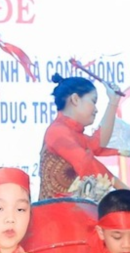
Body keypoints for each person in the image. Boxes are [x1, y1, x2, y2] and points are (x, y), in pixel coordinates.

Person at [38, 73, 123, 201]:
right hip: (54, 211)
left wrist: (113, 102)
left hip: (70, 209)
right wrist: (124, 190)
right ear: (75, 99)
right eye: (93, 101)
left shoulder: (73, 133)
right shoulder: (57, 131)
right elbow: (87, 164)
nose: (96, 109)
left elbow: (98, 144)